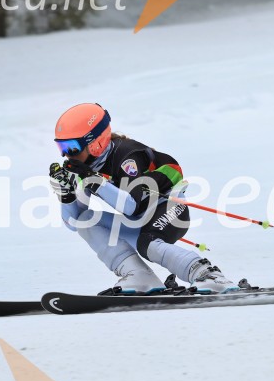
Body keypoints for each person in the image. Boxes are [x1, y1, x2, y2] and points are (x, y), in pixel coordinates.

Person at [49, 102, 238, 294]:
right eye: (61, 147)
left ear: (95, 143)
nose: (66, 155)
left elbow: (132, 206)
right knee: (86, 220)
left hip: (170, 209)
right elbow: (74, 222)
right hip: (139, 222)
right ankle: (139, 276)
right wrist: (66, 195)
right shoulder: (86, 170)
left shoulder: (127, 156)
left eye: (71, 147)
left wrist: (93, 179)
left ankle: (208, 275)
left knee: (149, 243)